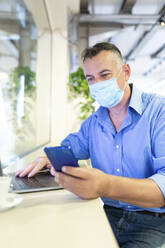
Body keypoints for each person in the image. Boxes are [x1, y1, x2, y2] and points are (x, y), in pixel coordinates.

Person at [16, 42, 165, 248]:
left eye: (105, 75)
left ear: (126, 72)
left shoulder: (159, 112)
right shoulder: (93, 123)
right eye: (91, 79)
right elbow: (71, 147)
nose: (98, 84)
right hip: (106, 214)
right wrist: (48, 158)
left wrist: (105, 185)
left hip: (151, 222)